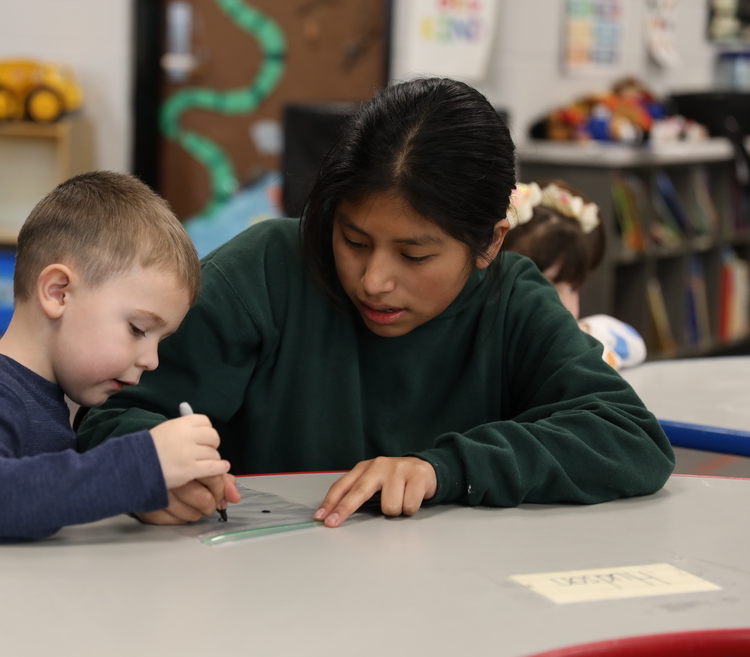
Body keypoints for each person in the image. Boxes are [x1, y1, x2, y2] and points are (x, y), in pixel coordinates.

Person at [76, 77, 675, 528]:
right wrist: (146, 473)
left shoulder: (511, 299)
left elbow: (630, 438)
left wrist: (444, 469)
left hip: (453, 604)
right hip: (256, 601)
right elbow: (110, 417)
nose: (373, 281)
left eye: (414, 256)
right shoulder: (267, 269)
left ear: (489, 243)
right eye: (353, 240)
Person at [0, 171, 238, 543]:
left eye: (161, 340)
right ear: (58, 293)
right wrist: (143, 465)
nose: (152, 361)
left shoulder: (42, 397)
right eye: (138, 329)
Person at [503, 180, 647, 370]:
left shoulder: (580, 335)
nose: (568, 305)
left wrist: (587, 331)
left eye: (573, 288)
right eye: (548, 289)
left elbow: (636, 345)